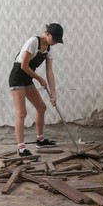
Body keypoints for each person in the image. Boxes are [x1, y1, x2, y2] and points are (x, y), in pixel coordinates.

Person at [8, 23, 64, 157]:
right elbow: (24, 66)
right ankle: (21, 148)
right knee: (22, 113)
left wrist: (53, 95)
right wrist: (39, 79)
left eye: (57, 41)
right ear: (47, 34)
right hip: (17, 77)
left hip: (28, 78)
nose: (55, 42)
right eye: (54, 39)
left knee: (41, 107)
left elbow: (49, 72)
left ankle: (40, 139)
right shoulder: (33, 42)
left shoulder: (49, 50)